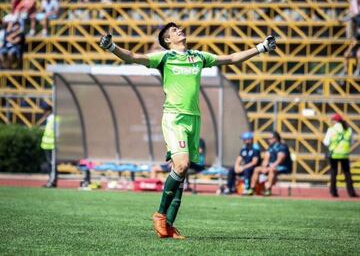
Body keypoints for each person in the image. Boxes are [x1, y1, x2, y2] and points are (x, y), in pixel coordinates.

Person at [99, 22, 276, 239]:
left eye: (179, 29)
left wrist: (261, 48)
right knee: (181, 165)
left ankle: (169, 226)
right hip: (174, 117)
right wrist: (111, 47)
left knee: (181, 172)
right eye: (174, 31)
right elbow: (133, 56)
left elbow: (230, 58)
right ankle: (160, 215)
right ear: (167, 40)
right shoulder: (164, 57)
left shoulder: (198, 57)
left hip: (194, 119)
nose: (179, 31)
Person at [323, 114, 358, 198]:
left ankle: (333, 192)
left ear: (335, 121)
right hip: (344, 155)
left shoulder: (331, 129)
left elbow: (326, 142)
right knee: (347, 173)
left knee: (333, 173)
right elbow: (351, 142)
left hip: (334, 154)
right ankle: (351, 192)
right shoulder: (348, 130)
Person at [249, 131, 292, 196]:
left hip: (282, 167)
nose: (268, 140)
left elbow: (279, 160)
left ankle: (267, 189)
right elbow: (266, 159)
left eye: (270, 138)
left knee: (272, 170)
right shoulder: (270, 147)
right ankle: (253, 188)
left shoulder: (282, 147)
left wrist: (269, 168)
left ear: (275, 138)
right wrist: (264, 167)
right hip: (271, 167)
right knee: (257, 169)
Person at [41, 105, 57, 188]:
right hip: (48, 145)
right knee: (50, 164)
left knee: (51, 164)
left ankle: (52, 181)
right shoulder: (50, 119)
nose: (44, 113)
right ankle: (51, 180)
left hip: (52, 145)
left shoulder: (52, 118)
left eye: (44, 111)